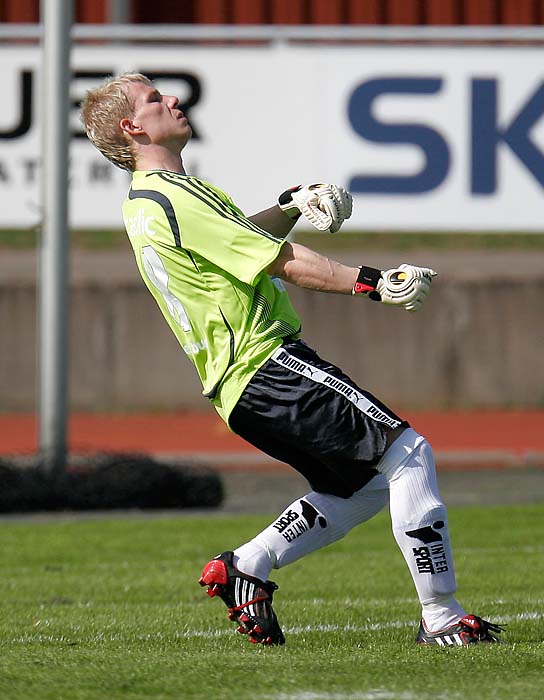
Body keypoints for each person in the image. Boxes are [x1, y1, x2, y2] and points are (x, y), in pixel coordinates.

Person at [81, 73, 503, 647]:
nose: (173, 100)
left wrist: (289, 205)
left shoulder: (158, 199)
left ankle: (247, 566)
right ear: (132, 127)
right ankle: (444, 619)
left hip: (241, 387)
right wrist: (374, 282)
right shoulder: (173, 196)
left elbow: (240, 244)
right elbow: (278, 261)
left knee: (361, 489)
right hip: (268, 365)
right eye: (155, 99)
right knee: (409, 456)